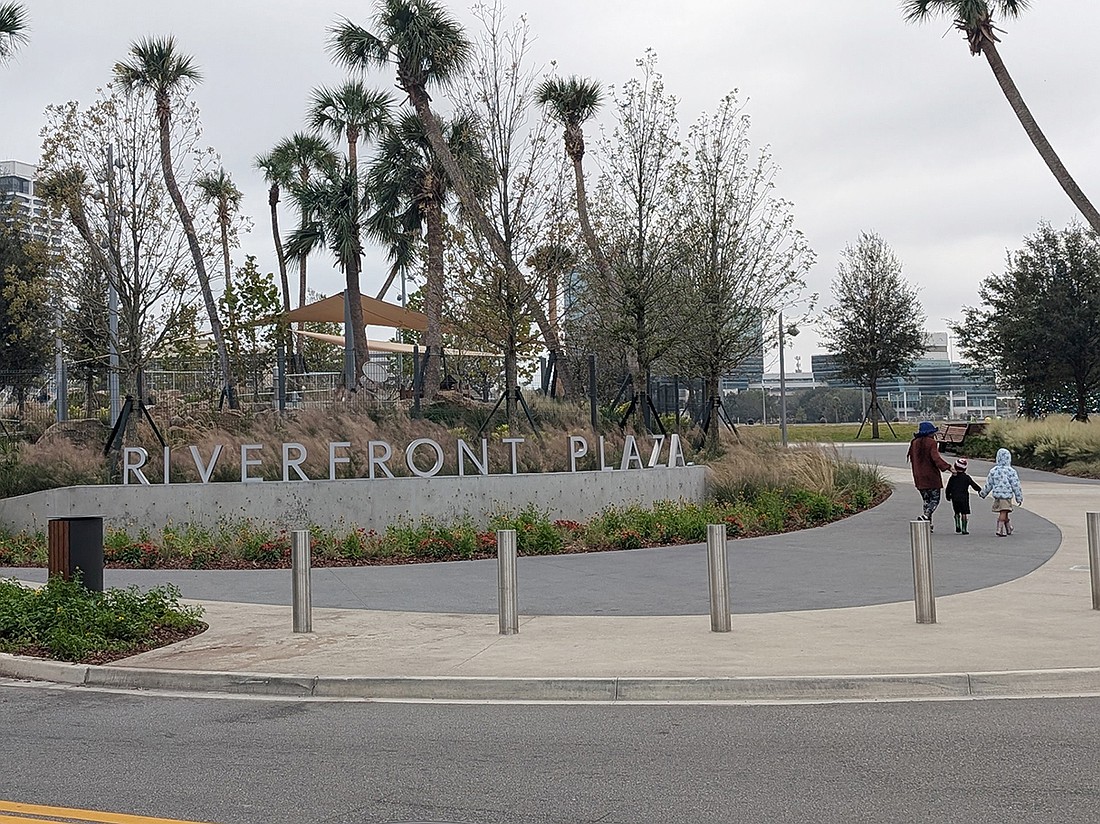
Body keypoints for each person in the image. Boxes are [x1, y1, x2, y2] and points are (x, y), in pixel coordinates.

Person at [906, 420, 954, 532]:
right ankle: (926, 516)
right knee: (935, 500)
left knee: (926, 500)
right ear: (930, 432)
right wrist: (948, 467)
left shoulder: (914, 443)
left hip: (919, 476)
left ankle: (928, 525)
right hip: (931, 477)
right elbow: (936, 458)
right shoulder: (931, 443)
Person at [979, 448, 1024, 537]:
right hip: (1006, 495)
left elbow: (989, 484)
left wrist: (983, 493)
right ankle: (999, 529)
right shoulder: (1011, 471)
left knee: (1005, 511)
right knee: (1003, 512)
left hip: (997, 496)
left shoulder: (994, 470)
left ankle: (1008, 527)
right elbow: (1016, 485)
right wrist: (1019, 497)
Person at [945, 457, 981, 534]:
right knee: (964, 513)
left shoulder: (952, 478)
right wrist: (979, 490)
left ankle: (957, 524)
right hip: (964, 497)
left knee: (956, 511)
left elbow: (948, 487)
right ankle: (964, 529)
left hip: (954, 497)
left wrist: (947, 495)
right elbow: (973, 485)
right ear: (965, 469)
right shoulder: (966, 478)